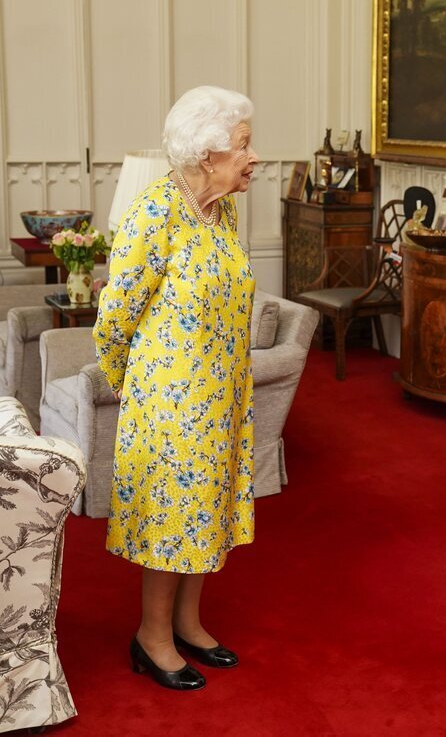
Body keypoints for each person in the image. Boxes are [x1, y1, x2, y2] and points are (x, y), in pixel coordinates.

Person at [93, 85, 259, 691]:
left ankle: (188, 622)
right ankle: (151, 637)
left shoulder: (223, 211)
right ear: (207, 153)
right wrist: (132, 386)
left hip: (222, 393)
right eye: (243, 145)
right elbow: (116, 315)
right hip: (170, 400)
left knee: (205, 510)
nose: (253, 157)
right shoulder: (152, 212)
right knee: (171, 518)